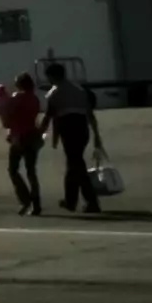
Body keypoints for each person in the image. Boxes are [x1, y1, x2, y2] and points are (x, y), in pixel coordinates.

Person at [40, 58, 102, 216]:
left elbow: (49, 116)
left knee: (77, 165)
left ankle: (91, 201)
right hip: (82, 128)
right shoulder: (79, 90)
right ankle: (70, 200)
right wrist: (96, 135)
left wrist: (40, 133)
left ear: (52, 77)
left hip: (68, 128)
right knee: (74, 163)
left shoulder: (54, 93)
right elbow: (90, 114)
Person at [0, 69, 45, 216]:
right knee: (31, 171)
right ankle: (36, 203)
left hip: (19, 136)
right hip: (33, 134)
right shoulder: (34, 98)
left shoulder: (16, 98)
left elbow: (7, 120)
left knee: (13, 169)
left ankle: (25, 200)